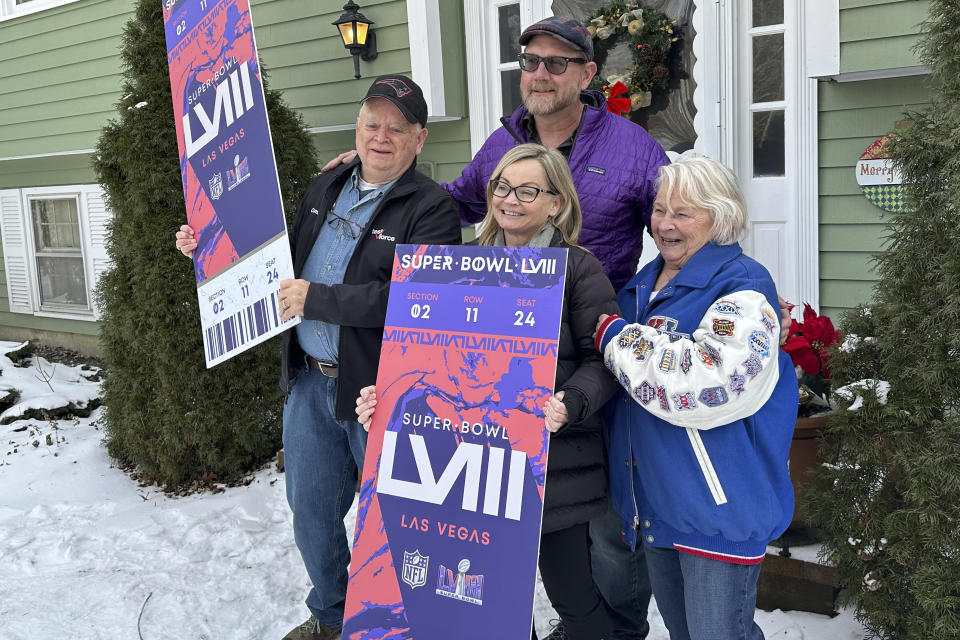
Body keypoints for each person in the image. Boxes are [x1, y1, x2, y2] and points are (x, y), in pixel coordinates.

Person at [324, 17, 670, 638]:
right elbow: (452, 203)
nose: (540, 73)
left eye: (557, 63)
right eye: (531, 61)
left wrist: (709, 289)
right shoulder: (491, 184)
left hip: (579, 367)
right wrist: (372, 168)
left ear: (587, 75)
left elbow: (676, 224)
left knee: (603, 542)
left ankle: (618, 631)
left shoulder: (630, 151)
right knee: (482, 578)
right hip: (484, 437)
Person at [175, 74, 461, 640]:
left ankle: (403, 620)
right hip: (310, 382)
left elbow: (421, 300)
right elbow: (275, 259)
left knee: (398, 518)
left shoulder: (432, 209)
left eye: (397, 129)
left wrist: (321, 300)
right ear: (357, 127)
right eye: (372, 124)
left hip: (380, 392)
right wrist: (208, 247)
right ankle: (333, 613)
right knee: (311, 511)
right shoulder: (325, 187)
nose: (382, 137)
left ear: (420, 140)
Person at [355, 143, 621, 640]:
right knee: (491, 605)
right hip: (473, 471)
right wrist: (387, 397)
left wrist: (572, 402)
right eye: (502, 186)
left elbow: (602, 361)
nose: (510, 200)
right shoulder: (457, 265)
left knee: (574, 597)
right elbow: (426, 356)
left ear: (556, 203)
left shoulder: (579, 269)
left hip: (550, 465)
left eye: (527, 190)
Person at [593, 156, 798, 640]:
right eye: (660, 209)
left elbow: (708, 381)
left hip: (716, 512)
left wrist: (617, 339)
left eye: (683, 213)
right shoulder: (643, 284)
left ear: (719, 216)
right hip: (659, 509)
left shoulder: (742, 284)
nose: (664, 224)